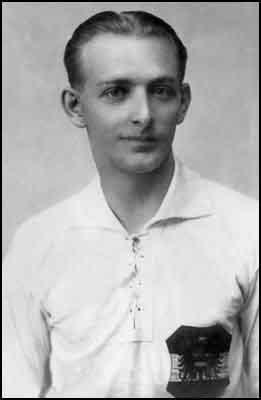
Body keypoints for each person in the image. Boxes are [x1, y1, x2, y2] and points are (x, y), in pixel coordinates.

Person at [2, 10, 259, 398]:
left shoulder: (247, 229)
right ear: (75, 106)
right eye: (116, 92)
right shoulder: (38, 243)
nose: (143, 115)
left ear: (183, 101)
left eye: (161, 91)